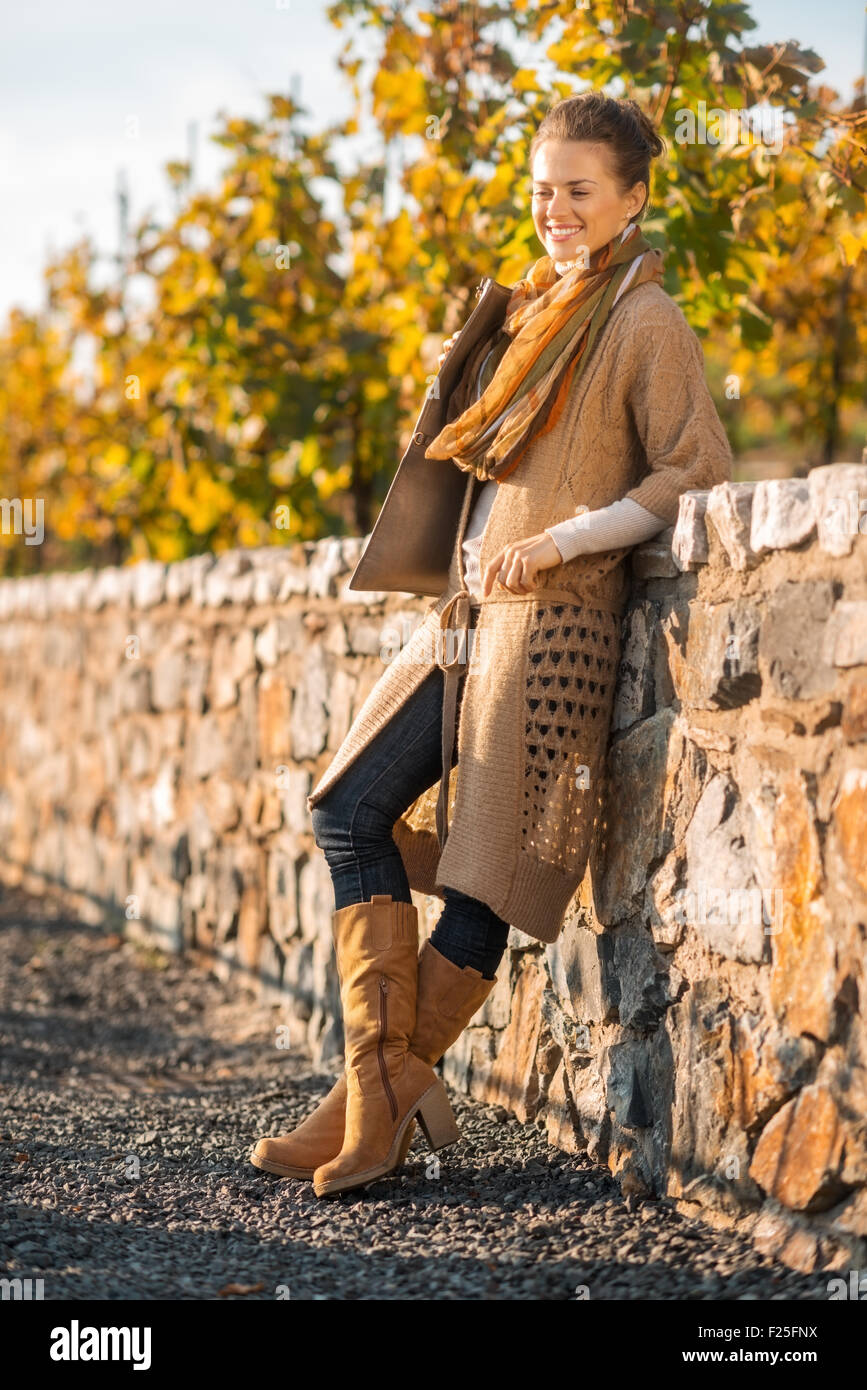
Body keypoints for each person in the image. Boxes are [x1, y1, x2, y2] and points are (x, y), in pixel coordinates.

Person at [251, 91, 733, 1197]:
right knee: (348, 804)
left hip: (552, 628)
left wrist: (567, 538)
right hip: (466, 624)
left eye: (578, 191)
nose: (554, 211)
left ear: (633, 198)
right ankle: (383, 1093)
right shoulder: (526, 314)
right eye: (540, 190)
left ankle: (365, 1112)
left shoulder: (643, 321)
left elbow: (694, 472)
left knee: (480, 883)